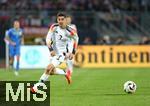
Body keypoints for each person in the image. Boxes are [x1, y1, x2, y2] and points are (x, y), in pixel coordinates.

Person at [31, 12, 79, 93]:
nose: (60, 21)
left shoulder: (70, 31)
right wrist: (51, 50)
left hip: (61, 54)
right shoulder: (54, 27)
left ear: (65, 20)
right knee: (51, 71)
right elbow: (47, 39)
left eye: (62, 19)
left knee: (48, 68)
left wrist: (73, 52)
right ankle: (65, 73)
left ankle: (36, 88)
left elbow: (76, 39)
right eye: (59, 19)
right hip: (53, 52)